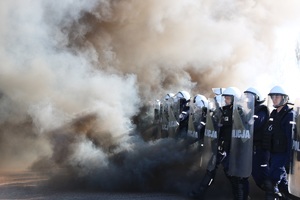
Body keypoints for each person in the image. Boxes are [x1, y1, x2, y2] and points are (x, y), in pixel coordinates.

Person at [190, 86, 248, 199]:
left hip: (231, 149)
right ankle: (199, 193)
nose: (225, 100)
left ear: (234, 99)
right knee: (211, 169)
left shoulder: (239, 112)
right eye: (225, 98)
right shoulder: (224, 111)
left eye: (227, 98)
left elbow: (241, 133)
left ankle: (240, 197)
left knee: (233, 176)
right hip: (221, 147)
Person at [263, 86, 294, 199]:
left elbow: (290, 139)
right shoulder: (274, 113)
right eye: (272, 96)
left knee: (272, 181)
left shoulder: (289, 115)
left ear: (284, 98)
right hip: (273, 153)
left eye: (277, 96)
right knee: (283, 185)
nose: (274, 99)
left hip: (282, 155)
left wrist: (288, 161)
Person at [244, 88, 270, 192]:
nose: (247, 100)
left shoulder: (261, 110)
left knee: (262, 175)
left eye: (250, 97)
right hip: (252, 148)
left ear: (257, 98)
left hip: (260, 149)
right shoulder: (251, 111)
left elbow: (253, 125)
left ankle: (274, 194)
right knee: (254, 173)